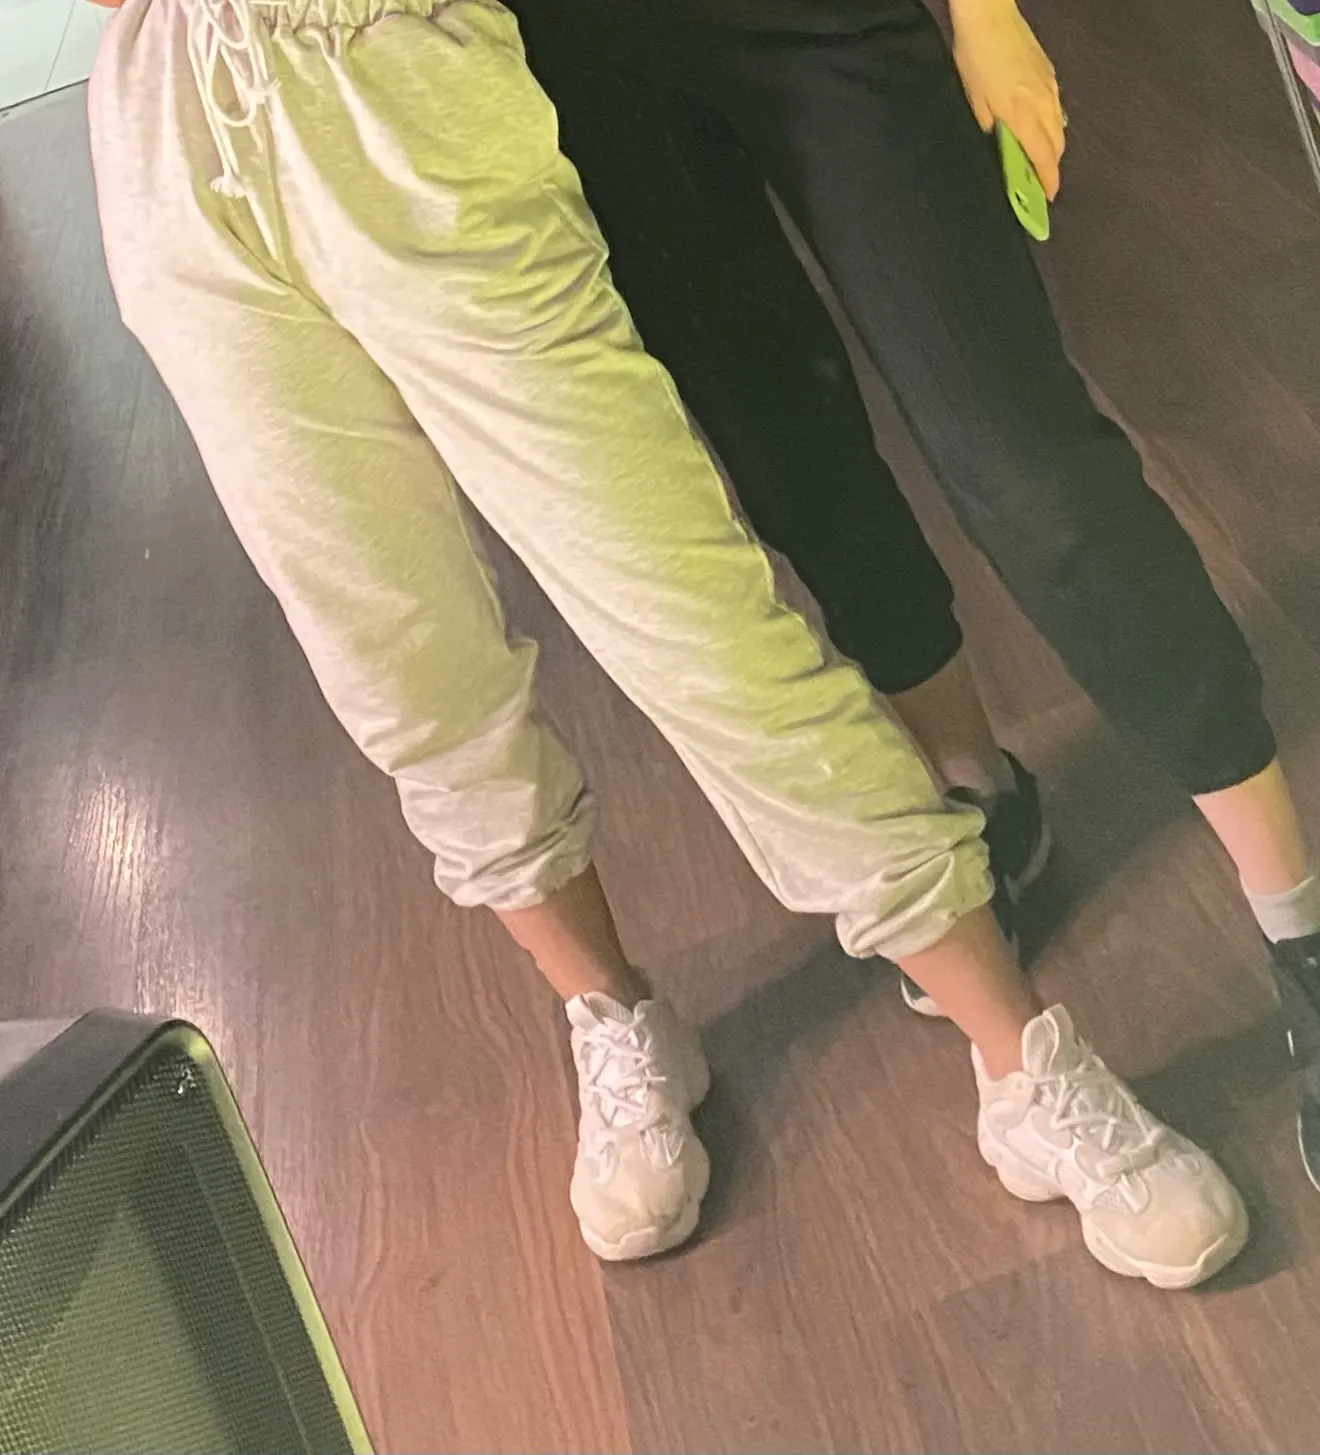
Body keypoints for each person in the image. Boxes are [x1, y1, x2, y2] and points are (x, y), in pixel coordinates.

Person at [87, 0, 1246, 1286]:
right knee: (395, 658)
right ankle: (613, 1015)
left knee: (683, 602)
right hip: (168, 132)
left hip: (402, 73)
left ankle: (1022, 1059)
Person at [499, 0, 1320, 1177]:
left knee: (1030, 466)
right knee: (797, 462)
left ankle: (1298, 917)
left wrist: (984, 14)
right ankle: (979, 787)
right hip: (576, 49)